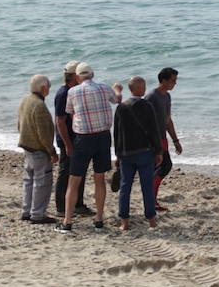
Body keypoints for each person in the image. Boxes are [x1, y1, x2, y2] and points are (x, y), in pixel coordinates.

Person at [57, 62, 122, 232]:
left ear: (78, 77)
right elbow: (117, 100)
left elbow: (70, 112)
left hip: (83, 138)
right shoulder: (103, 88)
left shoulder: (72, 91)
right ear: (92, 75)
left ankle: (68, 220)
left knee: (74, 180)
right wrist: (117, 89)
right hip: (102, 136)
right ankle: (99, 217)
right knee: (99, 178)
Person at [113, 76, 162, 230]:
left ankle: (124, 222)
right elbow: (154, 130)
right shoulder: (147, 106)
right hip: (145, 152)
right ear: (140, 88)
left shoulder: (121, 107)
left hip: (127, 153)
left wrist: (117, 154)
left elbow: (117, 133)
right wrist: (159, 151)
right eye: (144, 86)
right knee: (146, 186)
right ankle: (151, 220)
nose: (145, 88)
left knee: (125, 186)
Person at [17, 75, 58, 224]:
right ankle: (38, 214)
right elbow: (44, 133)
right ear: (43, 88)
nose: (49, 89)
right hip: (38, 149)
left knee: (29, 179)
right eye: (48, 86)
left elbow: (19, 124)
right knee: (42, 181)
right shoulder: (39, 105)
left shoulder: (25, 100)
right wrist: (51, 151)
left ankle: (26, 211)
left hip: (26, 145)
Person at [52, 61, 91, 217]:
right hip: (68, 139)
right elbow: (60, 121)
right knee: (66, 171)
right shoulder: (63, 93)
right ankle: (61, 207)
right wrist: (68, 144)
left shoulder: (74, 91)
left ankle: (78, 204)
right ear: (74, 77)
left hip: (77, 137)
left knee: (79, 171)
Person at [143, 67, 182, 211]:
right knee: (160, 167)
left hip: (162, 138)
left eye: (175, 81)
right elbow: (142, 120)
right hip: (152, 141)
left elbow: (167, 120)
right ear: (163, 81)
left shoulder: (167, 96)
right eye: (173, 81)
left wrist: (175, 140)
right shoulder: (151, 96)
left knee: (164, 167)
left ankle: (152, 199)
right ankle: (150, 201)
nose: (175, 84)